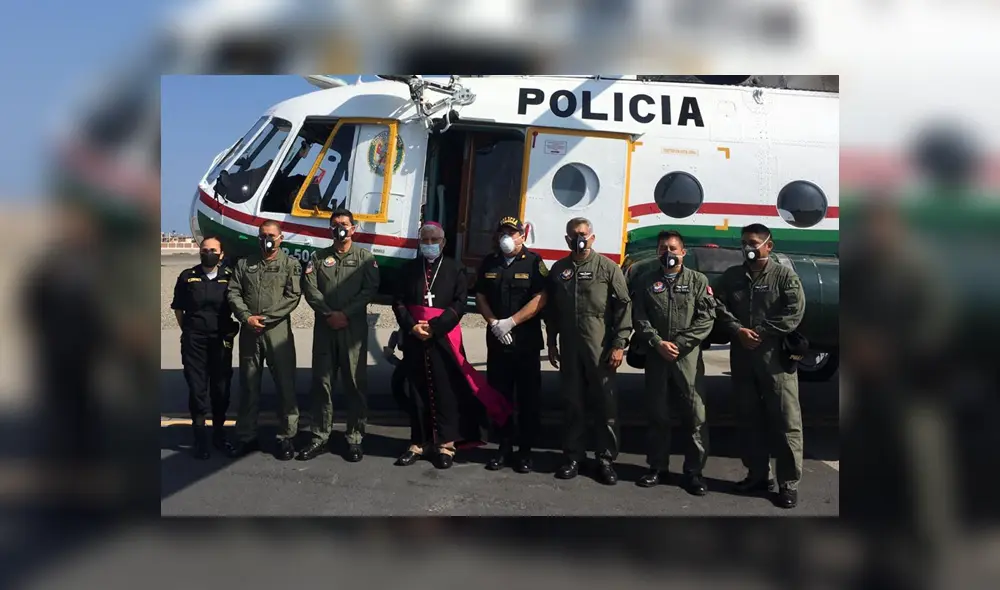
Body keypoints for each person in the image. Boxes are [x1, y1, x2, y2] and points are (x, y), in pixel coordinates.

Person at [392, 222, 512, 469]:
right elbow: (399, 302)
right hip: (416, 336)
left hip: (443, 337)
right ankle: (419, 442)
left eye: (433, 239)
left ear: (443, 242)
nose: (429, 244)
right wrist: (412, 326)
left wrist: (435, 327)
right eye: (424, 240)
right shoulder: (408, 269)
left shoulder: (455, 268)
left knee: (446, 389)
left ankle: (446, 444)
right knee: (417, 390)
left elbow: (459, 303)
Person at [712, 223, 806, 508]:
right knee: (748, 418)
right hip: (743, 357)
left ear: (769, 245)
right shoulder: (732, 277)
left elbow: (795, 310)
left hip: (775, 359)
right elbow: (716, 303)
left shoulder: (784, 277)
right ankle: (757, 474)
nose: (748, 248)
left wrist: (762, 331)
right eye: (744, 242)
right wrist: (737, 329)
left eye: (753, 242)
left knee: (786, 421)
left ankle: (788, 484)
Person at [546, 217, 632, 484]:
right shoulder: (559, 270)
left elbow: (623, 306)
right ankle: (574, 456)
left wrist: (619, 345)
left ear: (592, 238)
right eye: (573, 235)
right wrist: (551, 341)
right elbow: (553, 311)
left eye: (583, 234)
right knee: (573, 403)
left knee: (605, 404)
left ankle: (605, 460)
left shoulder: (607, 268)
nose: (578, 238)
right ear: (567, 239)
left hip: (601, 350)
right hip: (571, 349)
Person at [631, 231, 715, 495]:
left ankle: (694, 472)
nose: (668, 252)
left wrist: (679, 344)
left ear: (683, 252)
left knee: (695, 416)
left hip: (686, 358)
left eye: (673, 248)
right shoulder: (646, 281)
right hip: (657, 357)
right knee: (657, 414)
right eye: (663, 248)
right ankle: (657, 467)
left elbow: (706, 318)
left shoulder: (698, 281)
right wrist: (657, 342)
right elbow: (640, 317)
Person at [297, 209, 380, 462]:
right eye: (335, 225)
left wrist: (345, 313)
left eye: (344, 224)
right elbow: (310, 289)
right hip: (325, 328)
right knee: (322, 383)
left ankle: (355, 438)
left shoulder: (365, 258)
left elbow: (370, 289)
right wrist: (328, 313)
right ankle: (320, 436)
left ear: (353, 228)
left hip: (352, 329)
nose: (340, 228)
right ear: (329, 229)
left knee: (355, 383)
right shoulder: (318, 258)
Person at [474, 216, 548, 473]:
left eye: (512, 232)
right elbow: (480, 295)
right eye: (503, 231)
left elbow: (541, 298)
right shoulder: (490, 262)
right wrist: (494, 323)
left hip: (525, 344)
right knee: (500, 397)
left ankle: (525, 451)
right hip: (497, 343)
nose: (507, 236)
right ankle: (503, 447)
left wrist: (511, 322)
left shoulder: (534, 262)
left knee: (528, 399)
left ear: (522, 236)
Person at [226, 220, 303, 460]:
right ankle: (246, 435)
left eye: (271, 235)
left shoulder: (290, 265)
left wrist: (266, 318)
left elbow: (293, 296)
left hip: (276, 331)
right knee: (248, 385)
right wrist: (246, 317)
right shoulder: (244, 264)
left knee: (285, 384)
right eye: (262, 235)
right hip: (250, 331)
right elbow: (233, 291)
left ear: (281, 238)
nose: (266, 239)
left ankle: (286, 437)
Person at [170, 236, 239, 459]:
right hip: (195, 341)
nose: (208, 253)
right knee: (198, 389)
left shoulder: (230, 278)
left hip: (220, 340)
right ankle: (200, 439)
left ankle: (219, 435)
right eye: (204, 249)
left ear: (221, 254)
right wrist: (190, 331)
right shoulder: (187, 277)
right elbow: (178, 309)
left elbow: (238, 304)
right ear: (200, 252)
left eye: (213, 250)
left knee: (220, 389)